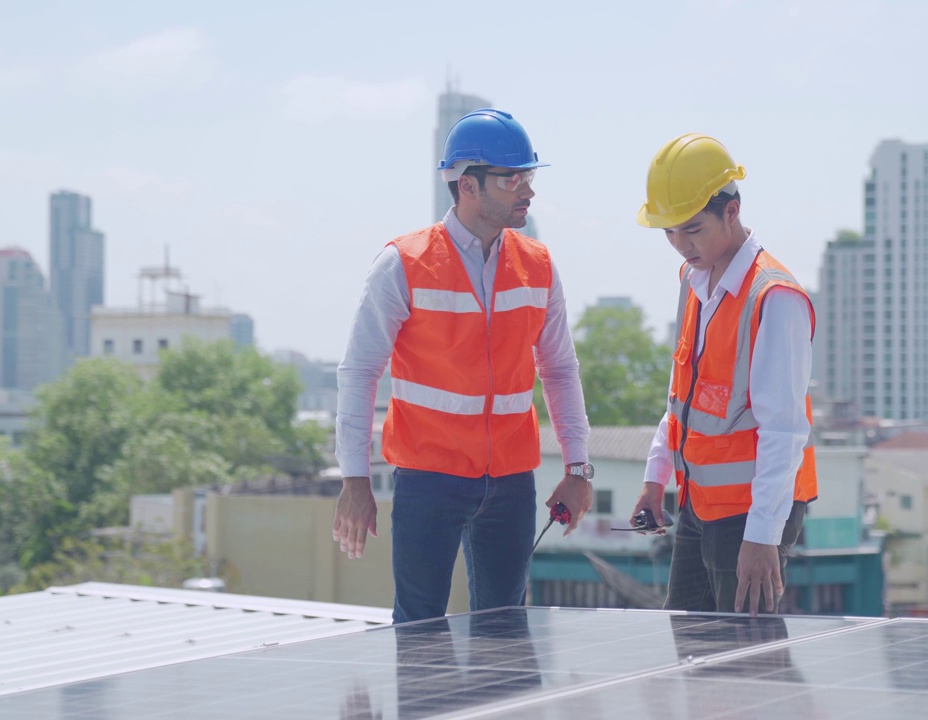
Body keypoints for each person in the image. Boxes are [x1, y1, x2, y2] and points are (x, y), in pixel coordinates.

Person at [334, 108, 594, 624]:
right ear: (467, 185)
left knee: (505, 632)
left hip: (512, 480)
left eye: (529, 176)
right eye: (511, 178)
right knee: (419, 630)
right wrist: (355, 480)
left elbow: (560, 369)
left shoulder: (538, 264)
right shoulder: (402, 263)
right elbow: (359, 372)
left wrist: (578, 467)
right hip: (428, 478)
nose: (527, 190)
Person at [628, 133, 817, 616]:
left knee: (746, 666)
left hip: (751, 515)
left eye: (692, 229)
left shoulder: (774, 299)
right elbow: (681, 397)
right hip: (699, 503)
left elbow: (785, 431)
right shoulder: (693, 281)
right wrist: (656, 477)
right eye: (669, 232)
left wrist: (762, 537)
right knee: (691, 646)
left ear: (731, 211)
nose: (679, 245)